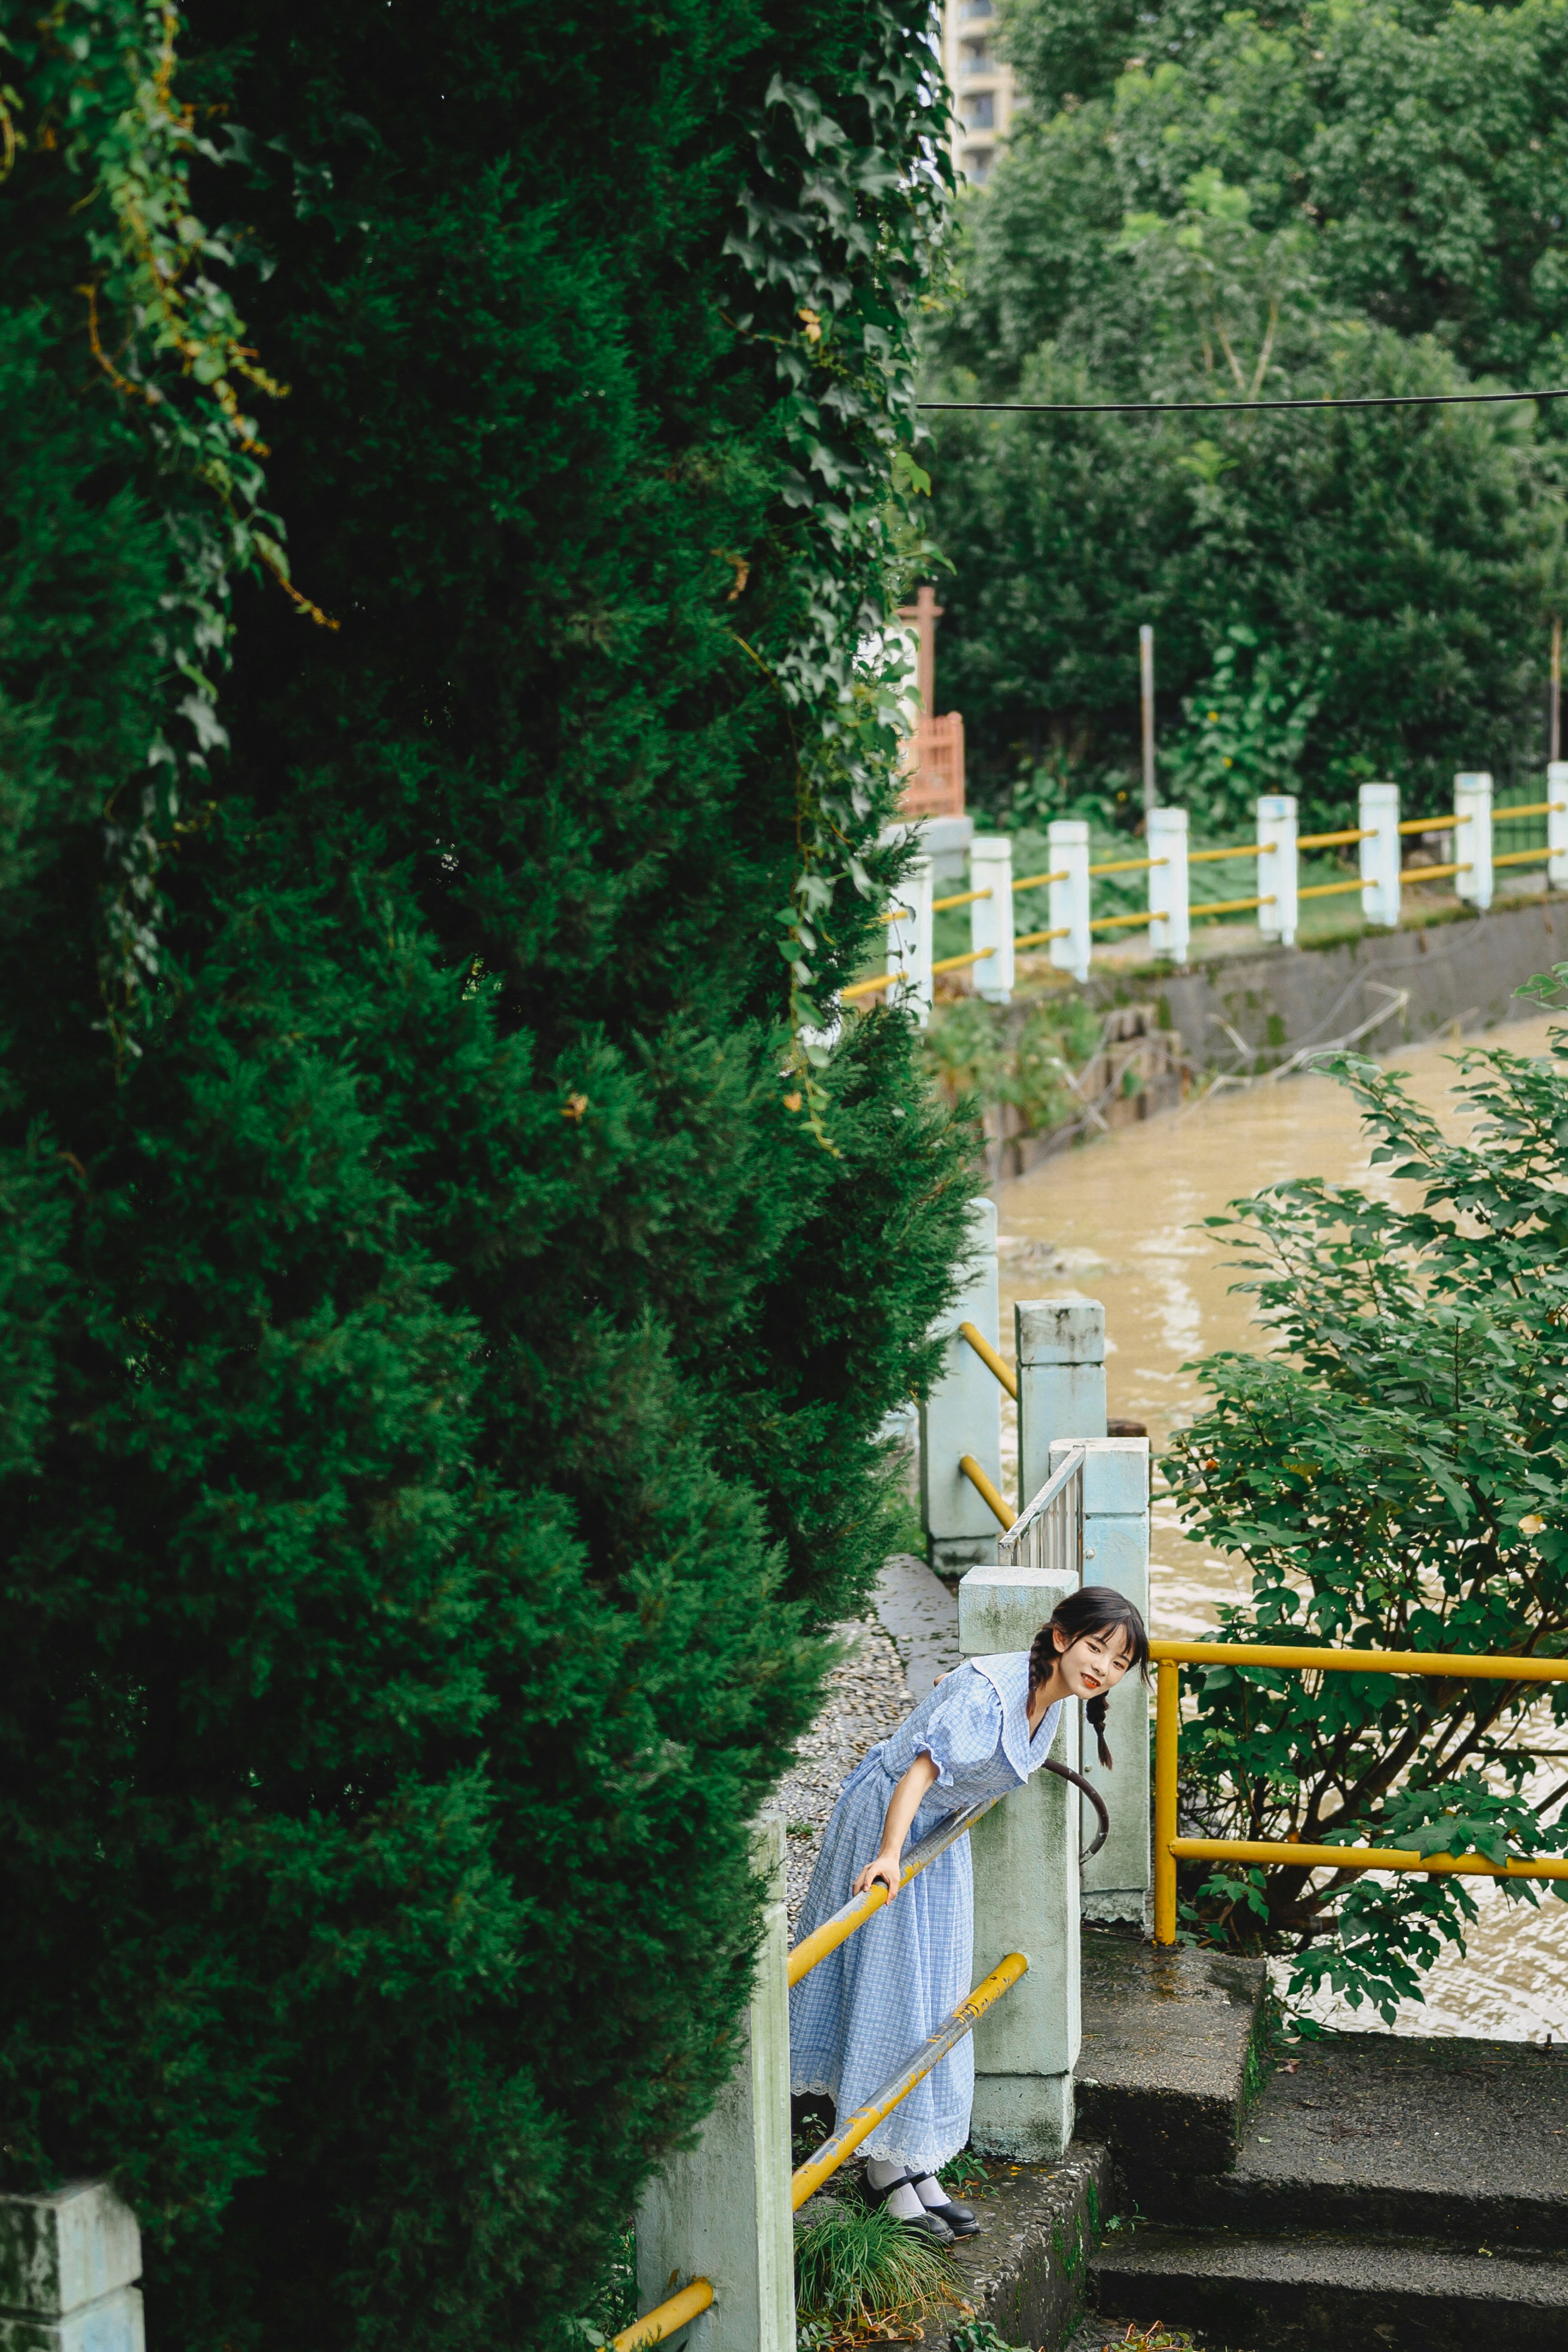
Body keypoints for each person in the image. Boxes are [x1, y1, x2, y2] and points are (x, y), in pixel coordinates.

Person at [788, 1585, 1149, 2241]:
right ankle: (879, 2170)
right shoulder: (994, 1693)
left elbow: (961, 1711)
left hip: (939, 1840)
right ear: (1062, 1636)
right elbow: (920, 1771)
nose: (1103, 1667)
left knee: (931, 2001)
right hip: (895, 1831)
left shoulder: (1049, 1695)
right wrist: (889, 1855)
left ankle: (911, 2161)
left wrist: (946, 1687)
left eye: (1118, 1663)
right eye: (1096, 1647)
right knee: (892, 1999)